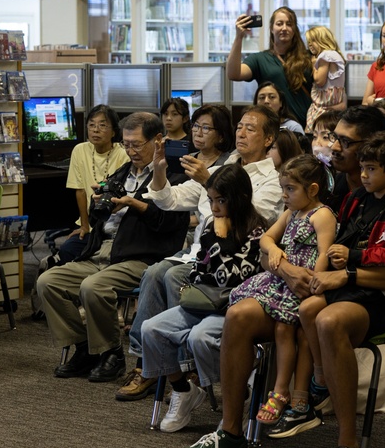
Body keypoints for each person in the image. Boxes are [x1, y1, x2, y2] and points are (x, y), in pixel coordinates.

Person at [173, 106, 385, 448]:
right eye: (334, 138)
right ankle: (231, 432)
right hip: (320, 285)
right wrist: (286, 268)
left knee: (326, 320)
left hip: (374, 295)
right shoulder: (348, 191)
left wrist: (344, 273)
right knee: (240, 314)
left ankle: (346, 444)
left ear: (373, 150)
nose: (334, 146)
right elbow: (275, 240)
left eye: (345, 141)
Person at [117, 105, 282, 400]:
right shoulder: (222, 168)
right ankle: (153, 366)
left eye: (251, 128)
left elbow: (255, 224)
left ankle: (186, 370)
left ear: (269, 139)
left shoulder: (272, 180)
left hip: (237, 262)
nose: (241, 133)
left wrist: (209, 181)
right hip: (199, 256)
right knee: (154, 273)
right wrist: (159, 168)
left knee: (171, 277)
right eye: (240, 126)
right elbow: (169, 200)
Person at [39, 112, 190, 383]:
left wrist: (133, 203)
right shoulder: (122, 172)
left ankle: (111, 352)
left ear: (157, 140)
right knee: (48, 282)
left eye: (136, 144)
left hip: (142, 256)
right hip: (103, 250)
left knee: (93, 287)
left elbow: (170, 223)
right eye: (126, 144)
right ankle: (85, 347)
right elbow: (100, 218)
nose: (130, 151)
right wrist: (99, 201)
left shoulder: (174, 176)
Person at [139, 164, 267, 432]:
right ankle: (183, 389)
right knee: (151, 329)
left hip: (234, 307)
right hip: (205, 300)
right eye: (211, 200)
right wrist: (211, 250)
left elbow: (235, 277)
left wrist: (221, 243)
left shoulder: (258, 230)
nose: (215, 207)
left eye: (221, 200)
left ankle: (239, 396)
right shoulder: (210, 223)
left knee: (200, 337)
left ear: (241, 198)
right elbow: (201, 267)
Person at [230, 155, 336, 427]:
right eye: (283, 188)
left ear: (312, 190)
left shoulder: (321, 214)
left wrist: (315, 284)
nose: (284, 195)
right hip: (283, 281)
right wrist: (275, 249)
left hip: (306, 284)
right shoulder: (291, 212)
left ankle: (281, 392)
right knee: (280, 329)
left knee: (283, 329)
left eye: (290, 189)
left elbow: (324, 253)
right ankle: (280, 391)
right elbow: (266, 237)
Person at [57, 105, 129, 264]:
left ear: (114, 131)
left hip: (114, 222)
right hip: (91, 222)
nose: (96, 130)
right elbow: (80, 191)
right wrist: (84, 226)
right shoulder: (79, 150)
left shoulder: (123, 153)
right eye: (91, 125)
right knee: (67, 250)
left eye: (102, 125)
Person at [226, 7, 316, 121]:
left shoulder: (309, 58)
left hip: (306, 128)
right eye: (279, 24)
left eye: (289, 24)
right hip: (273, 127)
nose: (284, 28)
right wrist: (239, 37)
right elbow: (233, 74)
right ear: (272, 29)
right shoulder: (260, 59)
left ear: (295, 29)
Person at [304, 25, 347, 128]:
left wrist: (314, 64)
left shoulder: (324, 56)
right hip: (336, 102)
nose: (309, 44)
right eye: (308, 41)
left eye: (313, 41)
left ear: (322, 40)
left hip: (323, 105)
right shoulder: (336, 55)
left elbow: (319, 80)